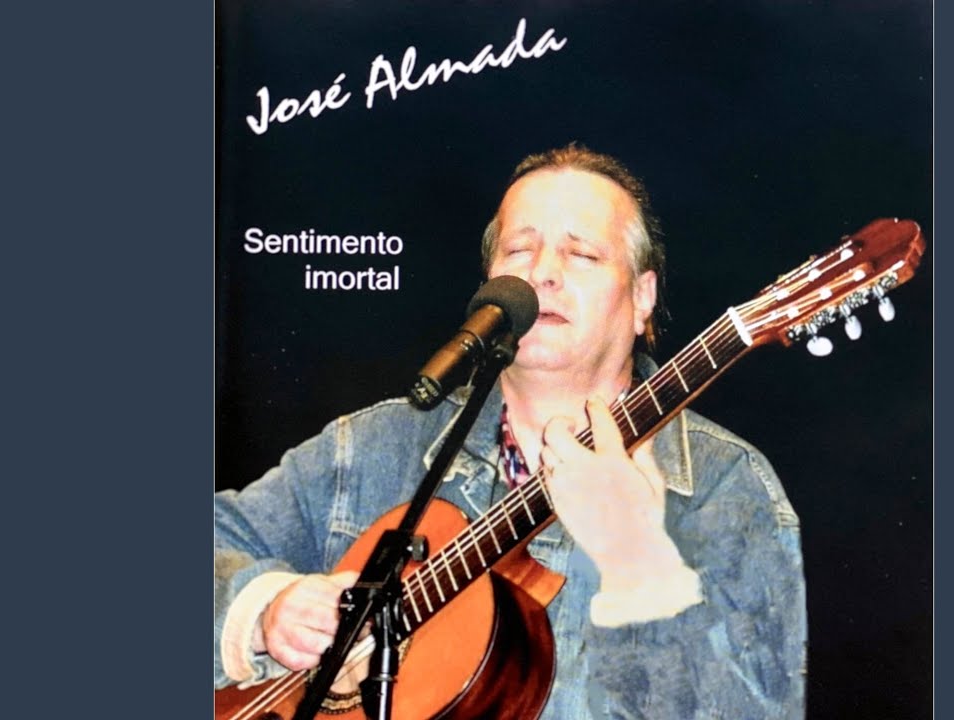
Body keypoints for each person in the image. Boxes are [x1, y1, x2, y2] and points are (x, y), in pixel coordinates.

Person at [214, 144, 807, 718]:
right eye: (519, 250)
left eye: (582, 254)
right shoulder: (373, 447)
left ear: (642, 296)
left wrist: (640, 564)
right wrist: (262, 610)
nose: (541, 274)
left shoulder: (727, 485)